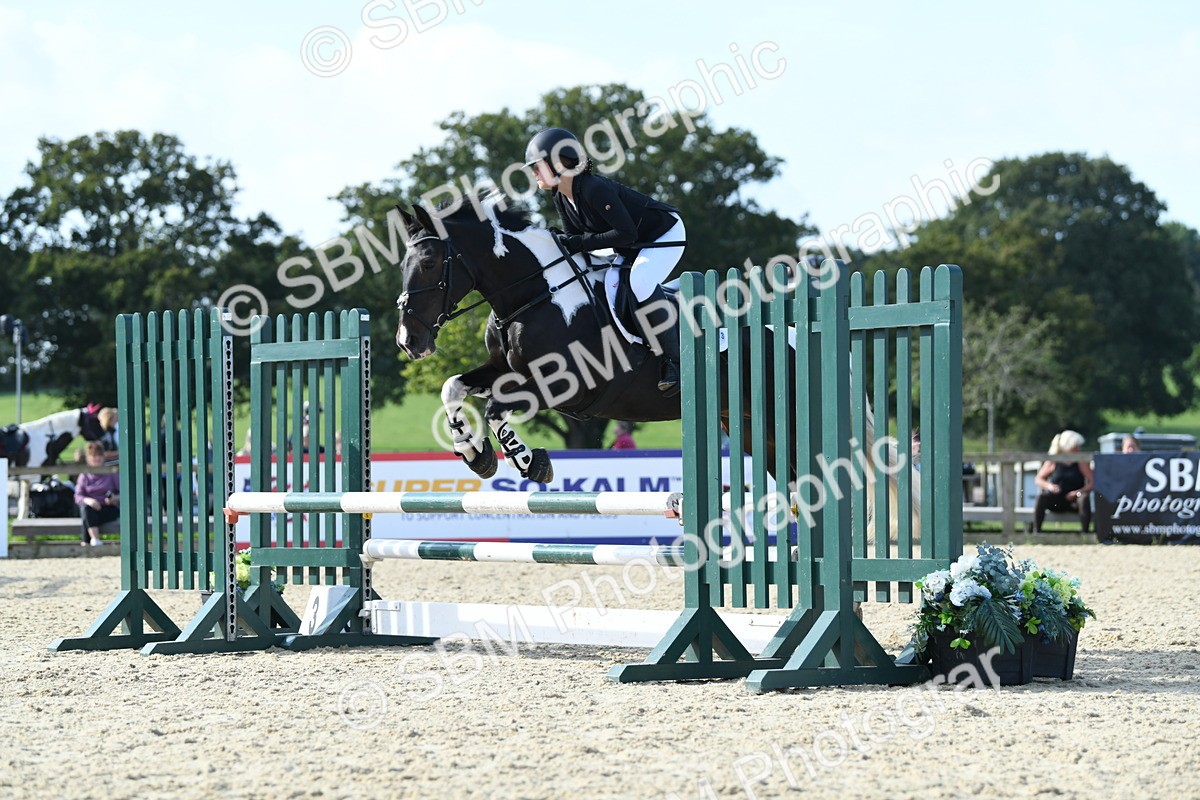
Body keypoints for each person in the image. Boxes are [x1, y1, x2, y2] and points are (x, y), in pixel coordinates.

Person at [525, 127, 687, 396]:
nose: (533, 173)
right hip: (631, 244)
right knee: (609, 280)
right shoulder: (561, 196)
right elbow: (574, 239)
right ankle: (635, 342)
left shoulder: (593, 188)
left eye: (537, 166)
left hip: (663, 235)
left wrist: (577, 242)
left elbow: (625, 233)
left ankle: (674, 361)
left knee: (640, 280)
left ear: (557, 163)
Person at [1033, 430, 1093, 533]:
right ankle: (1036, 531)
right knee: (1041, 497)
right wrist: (1050, 486)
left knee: (1084, 498)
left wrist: (1077, 492)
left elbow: (1093, 483)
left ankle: (1085, 532)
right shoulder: (1054, 460)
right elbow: (1039, 479)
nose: (1079, 449)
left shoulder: (1081, 462)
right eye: (1076, 446)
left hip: (1074, 502)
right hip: (1057, 500)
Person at [74, 441, 120, 545]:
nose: (97, 458)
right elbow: (78, 496)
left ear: (103, 457)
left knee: (86, 516)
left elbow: (122, 494)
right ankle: (94, 539)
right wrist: (88, 500)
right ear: (88, 458)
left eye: (99, 455)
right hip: (91, 508)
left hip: (109, 508)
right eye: (93, 456)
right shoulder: (84, 475)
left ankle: (86, 541)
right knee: (86, 509)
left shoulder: (111, 473)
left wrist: (114, 498)